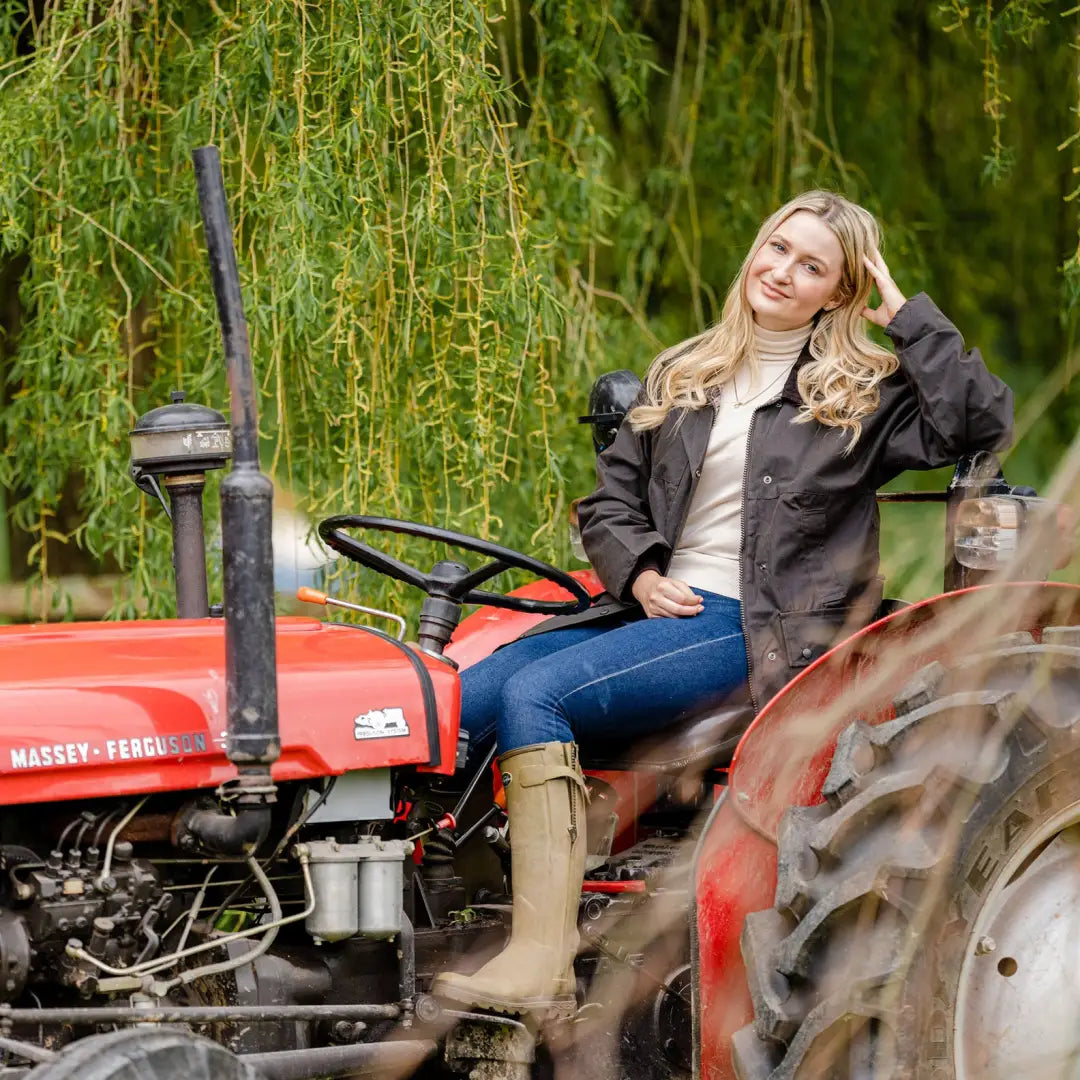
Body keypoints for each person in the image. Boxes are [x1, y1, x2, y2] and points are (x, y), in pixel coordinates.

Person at [432, 190, 1013, 1016]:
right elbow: (608, 505)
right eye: (778, 249)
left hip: (765, 630)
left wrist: (905, 312)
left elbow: (980, 422)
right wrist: (634, 573)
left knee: (538, 696)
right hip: (659, 609)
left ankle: (540, 960)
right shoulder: (687, 371)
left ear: (839, 293)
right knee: (458, 697)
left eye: (814, 266)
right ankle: (426, 917)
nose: (782, 272)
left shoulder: (859, 397)